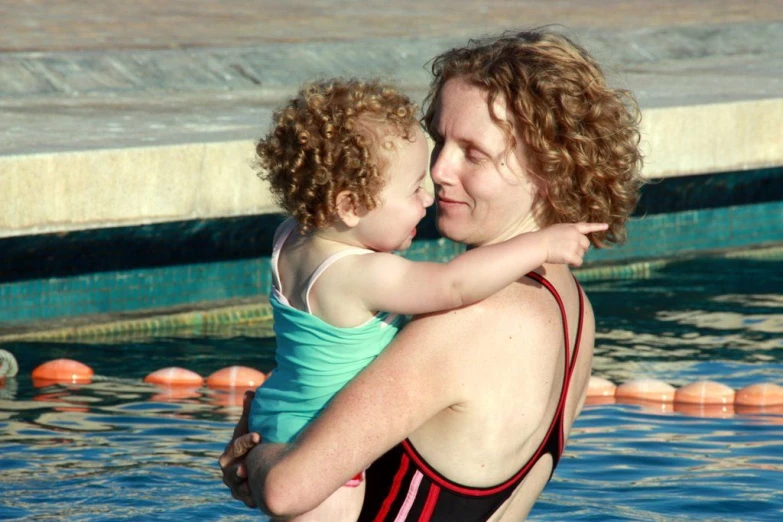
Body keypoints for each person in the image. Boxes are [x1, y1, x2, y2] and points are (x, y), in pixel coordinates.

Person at [220, 29, 643, 521]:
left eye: (474, 153)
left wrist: (258, 457)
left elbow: (288, 491)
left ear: (550, 168)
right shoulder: (572, 307)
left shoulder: (468, 320)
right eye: (440, 139)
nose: (439, 169)